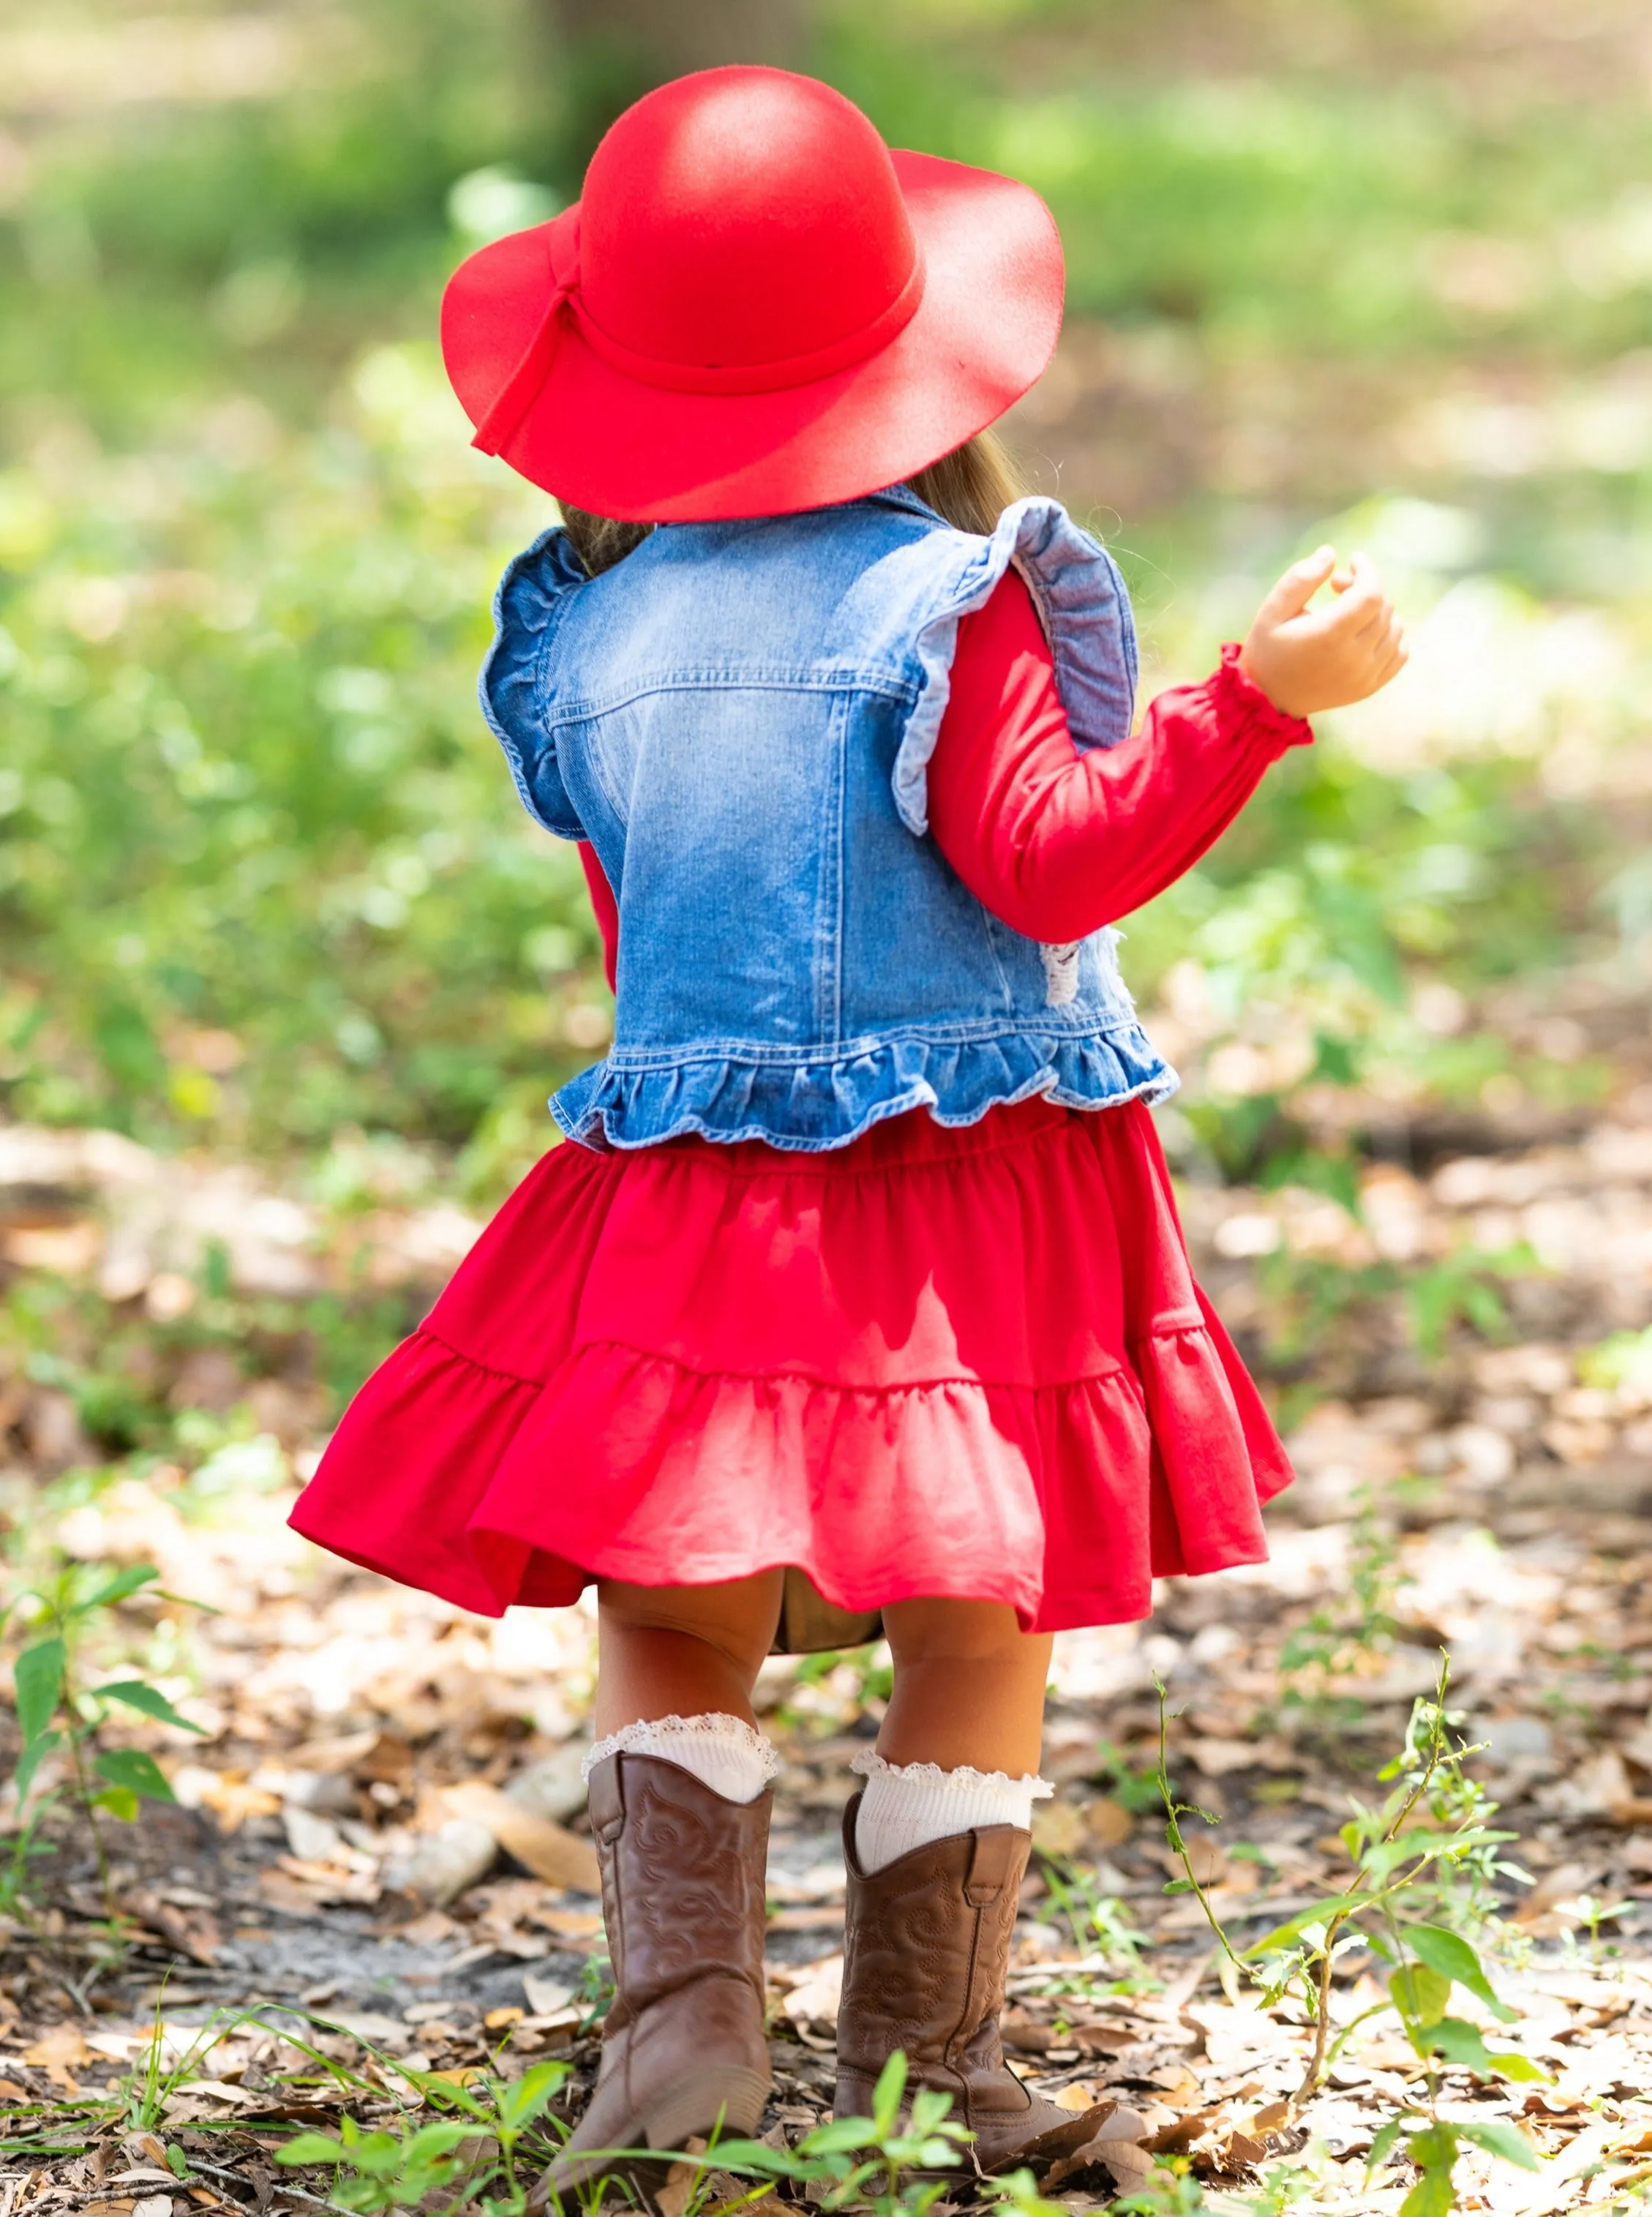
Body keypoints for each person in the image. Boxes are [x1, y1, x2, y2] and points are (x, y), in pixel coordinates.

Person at [290, 64, 1405, 2191]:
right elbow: (1054, 863)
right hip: (955, 1208)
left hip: (693, 1183)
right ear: (916, 350)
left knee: (680, 1593)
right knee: (975, 1614)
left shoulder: (587, 631)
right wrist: (1256, 697)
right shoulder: (957, 600)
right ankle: (929, 2055)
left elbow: (644, 922)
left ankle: (683, 2029)